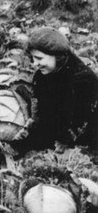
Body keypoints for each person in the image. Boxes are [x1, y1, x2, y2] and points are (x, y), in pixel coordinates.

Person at [18, 26, 98, 156]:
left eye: (39, 58)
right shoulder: (41, 76)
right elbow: (41, 112)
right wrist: (31, 126)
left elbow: (81, 122)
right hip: (56, 132)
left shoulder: (83, 80)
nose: (35, 64)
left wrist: (62, 143)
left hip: (85, 139)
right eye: (33, 58)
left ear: (57, 56)